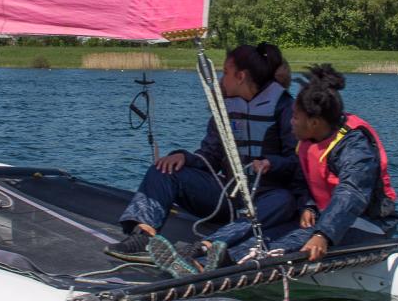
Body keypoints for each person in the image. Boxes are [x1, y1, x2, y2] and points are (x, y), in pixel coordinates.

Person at [107, 43, 300, 268]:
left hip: (267, 200)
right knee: (164, 169)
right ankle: (143, 236)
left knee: (284, 200)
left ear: (241, 77)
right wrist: (184, 158)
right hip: (229, 197)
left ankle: (205, 248)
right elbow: (210, 155)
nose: (221, 79)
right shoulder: (225, 108)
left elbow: (296, 162)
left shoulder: (285, 108)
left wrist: (271, 163)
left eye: (225, 72)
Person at [256, 64, 398, 262]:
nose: (291, 122)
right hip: (327, 217)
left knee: (286, 244)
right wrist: (309, 206)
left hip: (370, 223)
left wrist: (323, 234)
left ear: (314, 122)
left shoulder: (354, 146)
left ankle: (250, 261)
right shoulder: (310, 139)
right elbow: (303, 179)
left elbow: (352, 192)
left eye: (295, 117)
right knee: (268, 234)